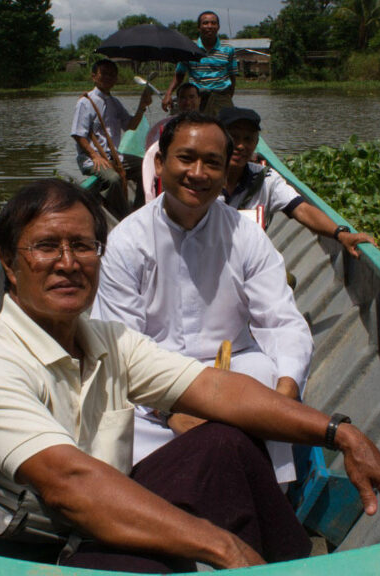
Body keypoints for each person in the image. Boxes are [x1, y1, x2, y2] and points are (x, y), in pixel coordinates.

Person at [0, 178, 380, 573]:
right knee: (166, 559)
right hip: (30, 555)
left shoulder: (107, 340)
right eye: (46, 247)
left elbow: (216, 389)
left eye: (83, 247)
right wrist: (220, 545)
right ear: (9, 264)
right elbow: (69, 485)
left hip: (95, 520)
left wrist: (338, 432)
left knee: (225, 443)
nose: (68, 263)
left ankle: (288, 566)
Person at [91, 112, 313, 484]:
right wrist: (171, 413)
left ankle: (267, 496)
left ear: (227, 172)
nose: (198, 173)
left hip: (236, 369)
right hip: (152, 383)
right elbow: (121, 345)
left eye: (212, 163)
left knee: (269, 376)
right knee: (113, 416)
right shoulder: (128, 241)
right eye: (186, 158)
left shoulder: (246, 235)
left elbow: (281, 321)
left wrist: (285, 394)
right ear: (160, 163)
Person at [220, 107, 377, 256]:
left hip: (246, 261)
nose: (241, 145)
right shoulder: (201, 178)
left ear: (256, 143)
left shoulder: (265, 179)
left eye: (248, 139)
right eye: (234, 137)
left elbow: (302, 209)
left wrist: (341, 234)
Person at [71, 59, 152, 220]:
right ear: (94, 76)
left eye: (112, 75)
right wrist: (95, 156)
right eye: (104, 73)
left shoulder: (114, 102)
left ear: (116, 79)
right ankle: (124, 217)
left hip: (115, 156)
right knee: (114, 179)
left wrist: (142, 106)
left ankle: (139, 210)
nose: (108, 77)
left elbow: (131, 125)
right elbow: (78, 134)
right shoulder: (85, 102)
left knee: (146, 167)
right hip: (92, 159)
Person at [161, 11, 237, 118]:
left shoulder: (228, 49)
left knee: (227, 128)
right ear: (199, 27)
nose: (209, 26)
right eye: (205, 23)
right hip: (195, 98)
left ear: (218, 27)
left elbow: (232, 77)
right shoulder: (189, 48)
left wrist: (227, 97)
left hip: (221, 97)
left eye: (213, 23)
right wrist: (168, 94)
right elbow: (179, 75)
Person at [145, 82, 200, 149]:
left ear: (199, 99)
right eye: (183, 98)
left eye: (191, 97)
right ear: (178, 101)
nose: (187, 102)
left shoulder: (208, 127)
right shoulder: (167, 127)